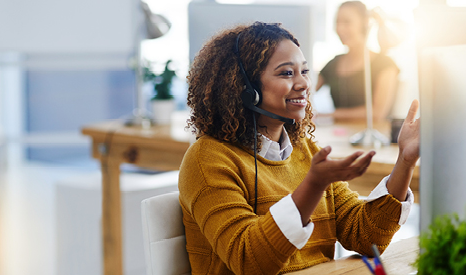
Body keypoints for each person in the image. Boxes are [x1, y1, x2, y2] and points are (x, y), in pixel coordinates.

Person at [179, 22, 419, 274]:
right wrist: (313, 185)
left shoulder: (305, 150)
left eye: (304, 71)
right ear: (246, 88)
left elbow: (367, 236)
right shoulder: (207, 159)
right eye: (286, 73)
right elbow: (248, 261)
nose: (303, 83)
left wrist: (405, 161)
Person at [316, 1, 400, 122]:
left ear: (365, 23)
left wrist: (328, 115)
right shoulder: (333, 63)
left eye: (346, 22)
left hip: (374, 137)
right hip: (337, 135)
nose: (339, 28)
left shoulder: (385, 64)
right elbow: (306, 89)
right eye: (337, 22)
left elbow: (377, 113)